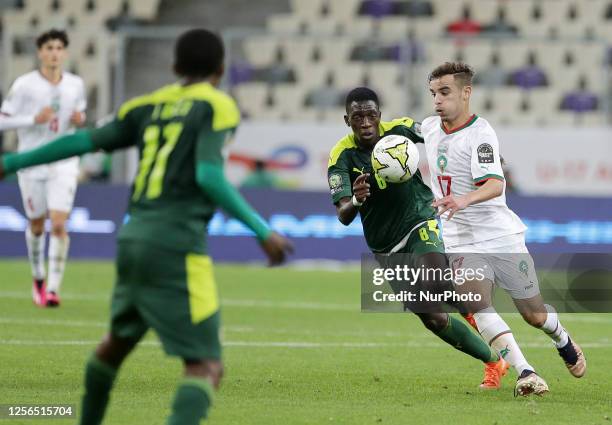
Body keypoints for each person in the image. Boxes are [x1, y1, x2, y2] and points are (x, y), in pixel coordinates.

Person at [0, 28, 293, 425]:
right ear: (221, 70)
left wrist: (12, 162)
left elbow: (83, 141)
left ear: (174, 67)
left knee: (113, 347)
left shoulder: (145, 105)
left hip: (133, 236)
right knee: (205, 366)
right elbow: (209, 176)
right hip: (177, 244)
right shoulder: (217, 105)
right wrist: (263, 230)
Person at [422, 61, 586, 396]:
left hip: (499, 235)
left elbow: (495, 184)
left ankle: (562, 338)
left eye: (445, 92)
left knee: (534, 314)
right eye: (433, 94)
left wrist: (463, 200)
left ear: (466, 93)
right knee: (477, 304)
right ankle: (526, 372)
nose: (437, 100)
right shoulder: (428, 127)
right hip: (459, 238)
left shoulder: (481, 134)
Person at [327, 86, 509, 387]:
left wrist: (487, 158)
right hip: (386, 246)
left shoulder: (400, 129)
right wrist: (357, 200)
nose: (365, 122)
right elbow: (343, 215)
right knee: (433, 318)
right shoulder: (341, 156)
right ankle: (494, 362)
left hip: (419, 221)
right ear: (347, 120)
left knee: (436, 281)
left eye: (370, 115)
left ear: (379, 115)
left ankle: (483, 318)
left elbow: (446, 133)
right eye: (357, 117)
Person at [0, 29, 87, 307]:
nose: (54, 53)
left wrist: (79, 119)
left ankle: (53, 288)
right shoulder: (25, 85)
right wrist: (31, 119)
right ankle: (38, 277)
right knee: (37, 225)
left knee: (59, 225)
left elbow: (80, 115)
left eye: (59, 48)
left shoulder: (75, 84)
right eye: (49, 47)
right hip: (32, 161)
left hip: (64, 161)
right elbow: (3, 120)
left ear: (65, 53)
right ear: (40, 52)